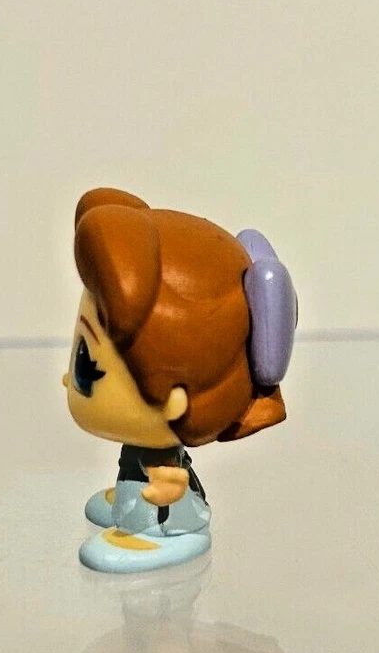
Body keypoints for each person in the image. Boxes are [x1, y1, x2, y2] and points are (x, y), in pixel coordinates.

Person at [62, 188, 296, 572]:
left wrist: (167, 493)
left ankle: (156, 530)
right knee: (136, 470)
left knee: (153, 497)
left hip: (163, 509)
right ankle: (130, 501)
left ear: (174, 396)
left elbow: (170, 488)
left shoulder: (165, 462)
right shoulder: (152, 449)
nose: (70, 378)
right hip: (150, 479)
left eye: (86, 364)